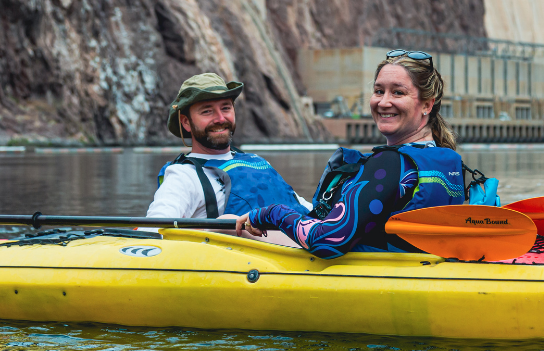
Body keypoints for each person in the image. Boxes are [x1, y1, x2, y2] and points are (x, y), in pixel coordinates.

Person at [233, 50, 465, 258]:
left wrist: (272, 213)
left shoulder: (391, 163)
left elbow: (326, 241)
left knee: (226, 224)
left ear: (427, 104)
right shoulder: (448, 159)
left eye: (398, 93)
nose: (384, 102)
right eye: (378, 91)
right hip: (420, 270)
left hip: (377, 277)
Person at [147, 73, 307, 220]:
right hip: (244, 248)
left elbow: (301, 206)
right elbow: (154, 228)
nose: (220, 118)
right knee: (227, 221)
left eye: (226, 108)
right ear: (186, 122)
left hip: (301, 243)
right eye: (207, 111)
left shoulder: (256, 161)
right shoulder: (183, 176)